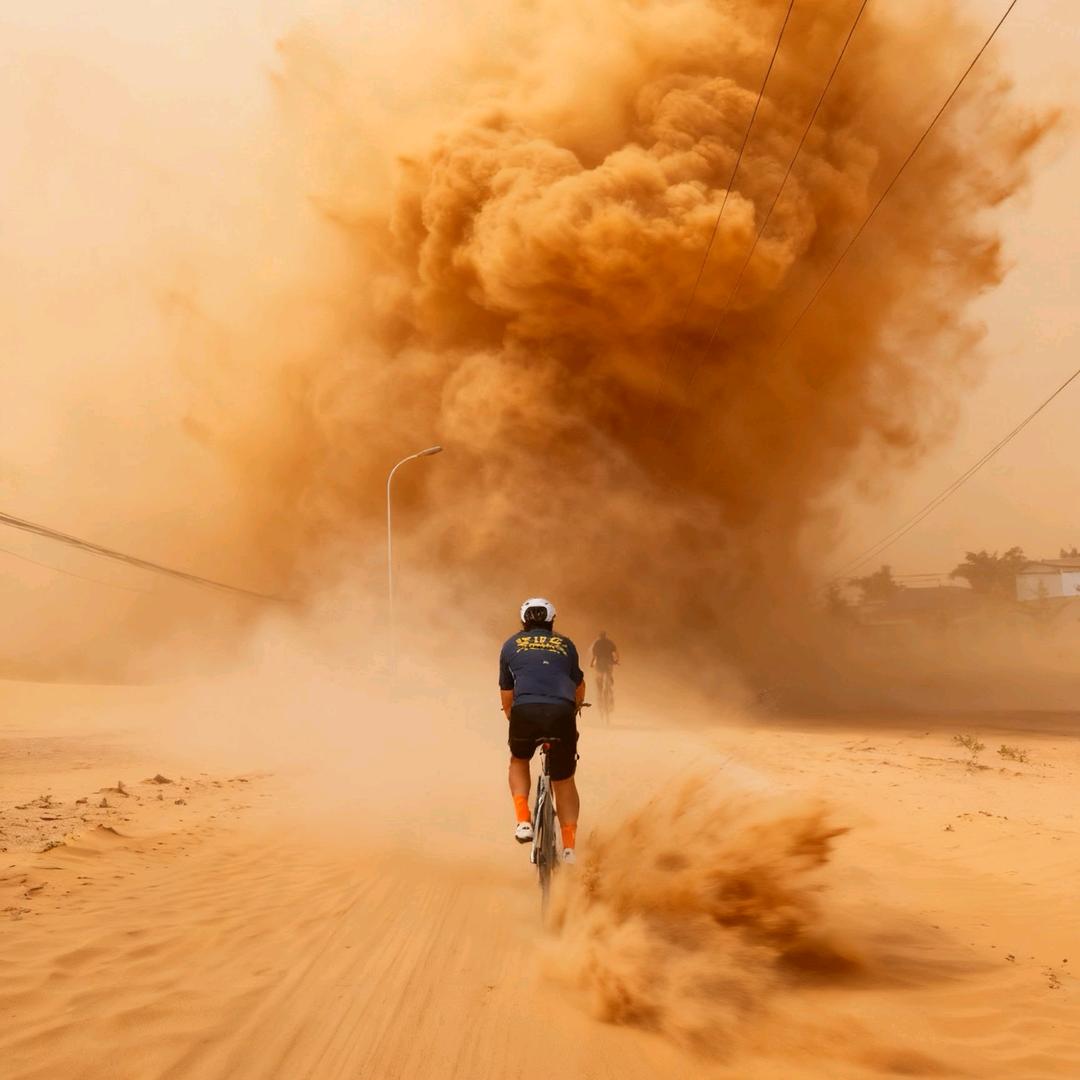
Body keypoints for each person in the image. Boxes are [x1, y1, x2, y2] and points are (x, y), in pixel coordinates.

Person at [499, 597, 585, 864]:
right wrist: (572, 711)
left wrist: (514, 719)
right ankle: (569, 849)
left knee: (519, 759)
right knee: (564, 780)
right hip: (561, 712)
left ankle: (523, 821)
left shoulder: (511, 644)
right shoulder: (566, 645)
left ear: (523, 621)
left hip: (525, 711)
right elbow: (578, 687)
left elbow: (507, 693)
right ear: (551, 621)